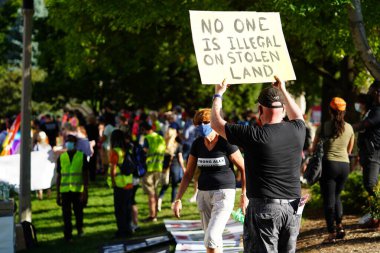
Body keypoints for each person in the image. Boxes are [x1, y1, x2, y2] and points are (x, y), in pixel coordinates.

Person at [210, 77, 305, 253]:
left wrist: (218, 93)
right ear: (283, 109)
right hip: (292, 208)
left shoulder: (254, 135)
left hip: (265, 208)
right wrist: (283, 89)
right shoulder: (298, 130)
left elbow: (215, 123)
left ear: (260, 109)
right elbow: (298, 115)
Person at [173, 108, 247, 253]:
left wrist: (244, 195)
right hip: (203, 194)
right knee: (212, 239)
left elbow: (244, 168)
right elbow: (188, 174)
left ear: (213, 123)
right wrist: (178, 199)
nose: (202, 125)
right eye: (199, 123)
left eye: (206, 122)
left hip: (224, 193)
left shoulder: (226, 142)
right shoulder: (197, 144)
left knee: (211, 237)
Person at [311, 97, 355, 243]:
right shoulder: (349, 128)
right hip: (344, 166)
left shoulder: (323, 127)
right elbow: (349, 150)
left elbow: (313, 148)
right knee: (337, 196)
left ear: (330, 110)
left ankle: (331, 233)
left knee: (328, 200)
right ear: (344, 111)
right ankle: (340, 226)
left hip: (329, 165)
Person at [353, 80, 380, 229]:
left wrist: (348, 128)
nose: (372, 93)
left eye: (373, 91)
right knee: (371, 185)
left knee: (371, 185)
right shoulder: (371, 110)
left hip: (374, 153)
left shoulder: (377, 111)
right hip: (368, 153)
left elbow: (366, 125)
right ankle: (375, 216)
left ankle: (376, 217)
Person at [56, 135, 89, 242]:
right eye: (67, 141)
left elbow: (85, 175)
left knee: (78, 212)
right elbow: (59, 176)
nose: (68, 143)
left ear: (75, 144)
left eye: (70, 141)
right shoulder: (61, 157)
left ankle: (80, 229)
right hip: (65, 191)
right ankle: (68, 234)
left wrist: (85, 191)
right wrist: (57, 194)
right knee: (66, 214)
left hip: (78, 190)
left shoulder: (81, 156)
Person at [107, 129, 134, 237]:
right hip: (129, 183)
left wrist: (113, 182)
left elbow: (113, 169)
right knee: (127, 209)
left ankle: (121, 231)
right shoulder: (127, 149)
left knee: (119, 210)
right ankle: (128, 229)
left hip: (119, 185)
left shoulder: (115, 151)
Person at [140, 122, 166, 222]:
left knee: (150, 194)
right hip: (158, 167)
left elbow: (145, 151)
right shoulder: (160, 138)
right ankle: (155, 214)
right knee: (155, 191)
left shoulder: (147, 138)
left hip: (149, 168)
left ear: (146, 130)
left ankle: (152, 215)